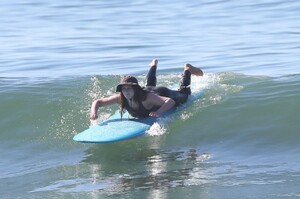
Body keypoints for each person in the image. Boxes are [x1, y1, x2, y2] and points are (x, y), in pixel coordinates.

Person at [90, 59, 203, 120]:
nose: (126, 91)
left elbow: (170, 101)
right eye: (124, 89)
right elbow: (98, 102)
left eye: (129, 88)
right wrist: (94, 111)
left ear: (136, 89)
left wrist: (158, 112)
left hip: (161, 92)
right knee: (149, 84)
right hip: (149, 90)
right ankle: (153, 64)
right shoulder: (121, 98)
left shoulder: (147, 98)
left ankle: (188, 69)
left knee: (184, 94)